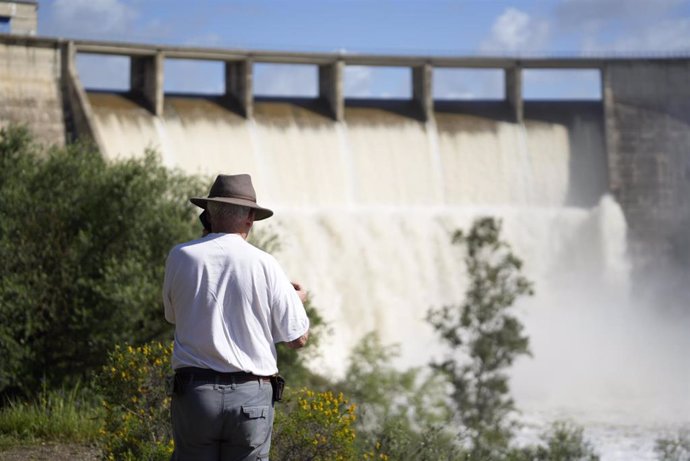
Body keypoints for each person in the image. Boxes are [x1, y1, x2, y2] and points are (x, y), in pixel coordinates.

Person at [163, 173, 310, 461]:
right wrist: (295, 300)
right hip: (250, 397)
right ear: (250, 218)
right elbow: (298, 339)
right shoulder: (266, 264)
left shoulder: (181, 256)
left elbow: (173, 316)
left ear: (208, 213)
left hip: (196, 393)